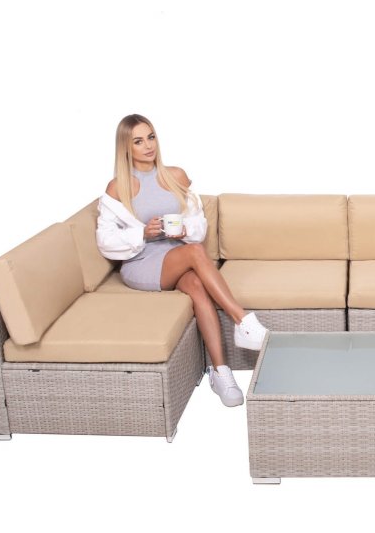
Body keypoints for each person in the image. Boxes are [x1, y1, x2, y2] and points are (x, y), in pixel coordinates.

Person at [95, 113, 267, 407]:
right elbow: (105, 239)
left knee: (197, 285)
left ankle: (221, 372)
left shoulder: (175, 176)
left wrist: (186, 229)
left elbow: (197, 221)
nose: (148, 146)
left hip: (176, 255)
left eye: (151, 137)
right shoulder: (118, 187)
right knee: (196, 253)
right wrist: (142, 233)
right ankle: (243, 321)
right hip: (143, 262)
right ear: (126, 147)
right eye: (138, 141)